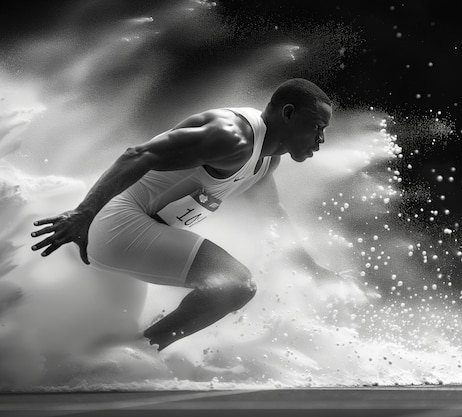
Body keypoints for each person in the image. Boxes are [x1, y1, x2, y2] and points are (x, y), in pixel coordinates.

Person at [31, 78, 333, 351]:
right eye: (317, 126)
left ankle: (114, 357)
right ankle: (137, 353)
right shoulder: (232, 137)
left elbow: (273, 214)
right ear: (289, 113)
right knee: (235, 284)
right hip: (118, 223)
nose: (320, 139)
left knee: (227, 289)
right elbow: (137, 155)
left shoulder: (266, 162)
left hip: (140, 232)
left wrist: (311, 267)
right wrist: (84, 214)